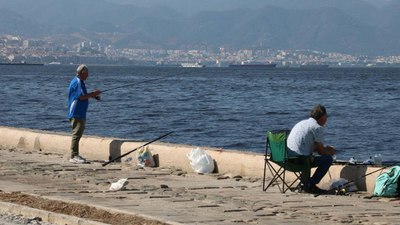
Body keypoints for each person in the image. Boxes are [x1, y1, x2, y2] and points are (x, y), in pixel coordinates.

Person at [287, 104, 336, 194]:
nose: (326, 119)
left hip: (287, 159)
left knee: (309, 155)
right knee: (328, 159)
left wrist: (324, 149)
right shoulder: (317, 127)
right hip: (301, 161)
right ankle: (310, 184)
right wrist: (330, 151)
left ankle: (305, 183)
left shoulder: (301, 123)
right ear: (322, 117)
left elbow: (306, 145)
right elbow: (321, 152)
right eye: (326, 117)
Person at [67, 64, 101, 163]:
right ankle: (74, 156)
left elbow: (83, 95)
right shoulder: (77, 82)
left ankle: (75, 154)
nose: (88, 75)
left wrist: (93, 96)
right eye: (87, 73)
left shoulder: (80, 82)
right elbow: (80, 97)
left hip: (80, 112)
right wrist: (93, 94)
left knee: (77, 134)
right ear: (82, 73)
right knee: (76, 134)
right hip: (76, 112)